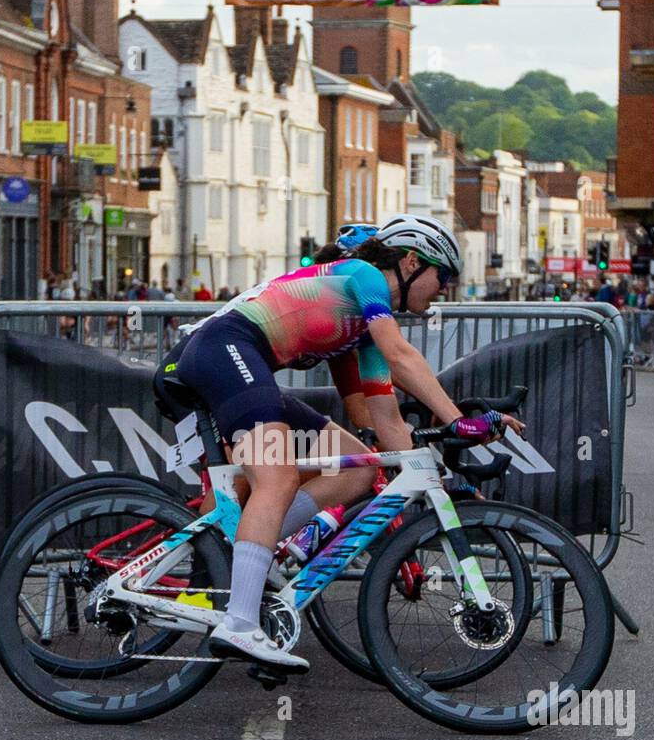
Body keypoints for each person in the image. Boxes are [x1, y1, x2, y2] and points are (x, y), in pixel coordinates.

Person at [153, 214, 520, 671]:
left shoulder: (365, 334)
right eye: (441, 276)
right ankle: (240, 623)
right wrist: (459, 419)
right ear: (410, 263)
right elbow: (403, 358)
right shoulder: (365, 277)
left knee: (361, 468)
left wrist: (432, 477)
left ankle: (251, 550)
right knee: (277, 478)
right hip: (225, 346)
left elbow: (383, 417)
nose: (444, 288)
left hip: (242, 358)